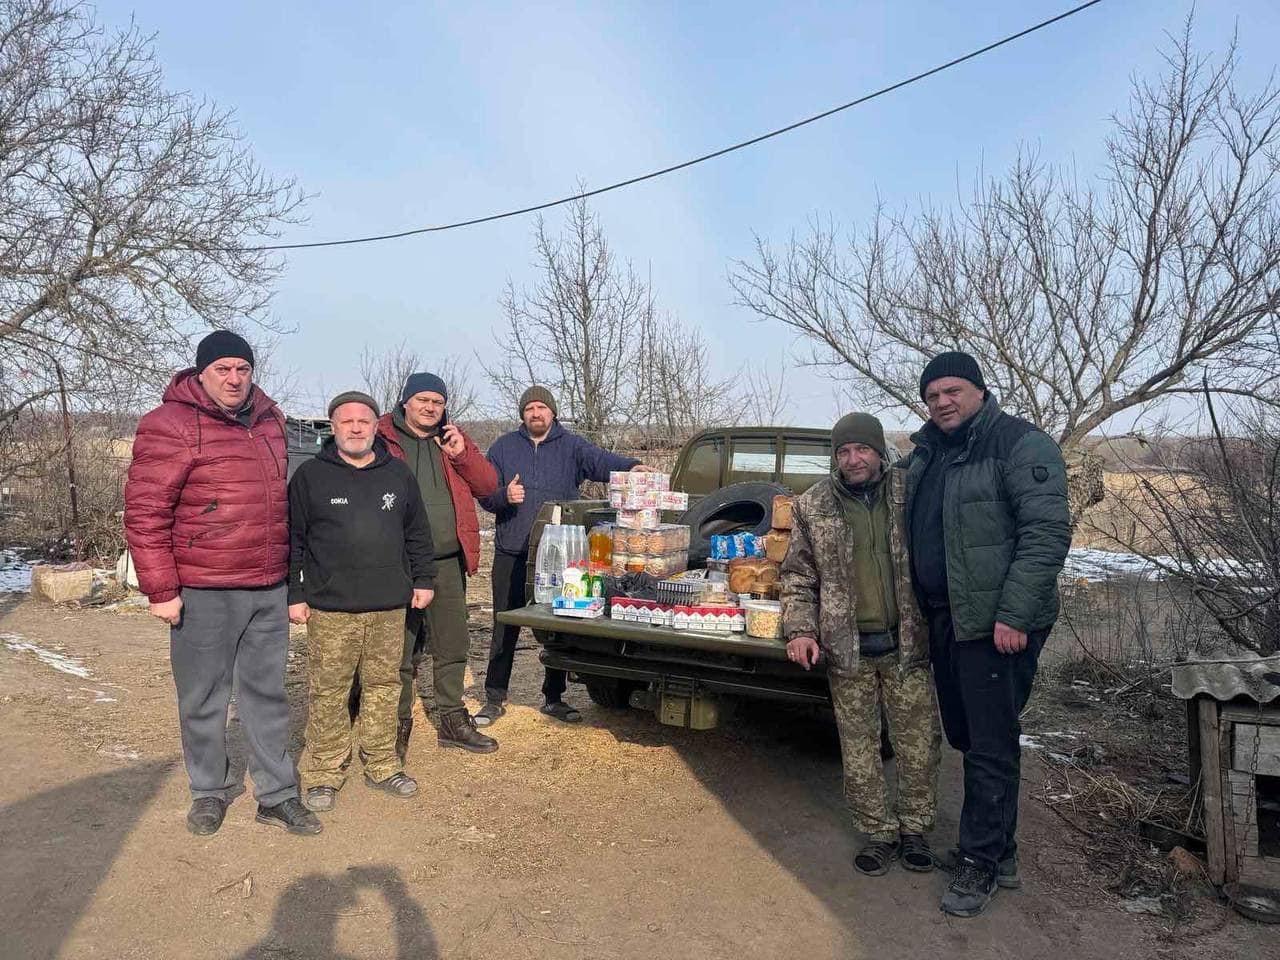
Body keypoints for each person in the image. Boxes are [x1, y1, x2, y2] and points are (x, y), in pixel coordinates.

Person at [124, 330, 320, 837]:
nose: (234, 379)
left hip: (267, 584)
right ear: (201, 373)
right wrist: (161, 590)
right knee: (204, 697)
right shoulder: (168, 425)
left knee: (267, 695)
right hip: (203, 587)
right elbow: (146, 512)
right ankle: (209, 790)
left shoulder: (271, 420)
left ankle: (276, 795)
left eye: (242, 368)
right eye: (223, 370)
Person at [905, 351, 1071, 917]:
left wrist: (1014, 615)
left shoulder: (1020, 444)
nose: (942, 402)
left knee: (990, 742)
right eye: (932, 396)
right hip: (947, 616)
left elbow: (1046, 533)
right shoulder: (929, 453)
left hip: (997, 623)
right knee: (969, 737)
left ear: (978, 390)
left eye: (952, 390)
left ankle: (980, 863)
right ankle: (1001, 853)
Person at [780, 412, 940, 879]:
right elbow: (797, 577)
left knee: (918, 745)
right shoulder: (812, 506)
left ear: (879, 451)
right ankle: (878, 833)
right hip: (847, 650)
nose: (853, 459)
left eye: (862, 449)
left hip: (908, 645)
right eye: (844, 451)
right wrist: (801, 630)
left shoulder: (909, 493)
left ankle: (915, 830)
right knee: (860, 748)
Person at [288, 391, 437, 813]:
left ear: (376, 426)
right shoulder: (310, 477)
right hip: (330, 608)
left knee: (384, 686)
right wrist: (294, 594)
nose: (356, 428)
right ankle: (323, 771)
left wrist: (423, 579)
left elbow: (417, 534)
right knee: (329, 690)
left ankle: (383, 764)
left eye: (364, 421)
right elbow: (293, 541)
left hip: (389, 604)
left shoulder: (398, 476)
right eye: (347, 421)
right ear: (332, 427)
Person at [476, 386, 651, 725]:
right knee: (504, 626)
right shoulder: (503, 448)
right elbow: (484, 494)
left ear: (552, 412)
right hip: (511, 552)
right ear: (523, 414)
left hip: (559, 555)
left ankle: (553, 697)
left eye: (542, 407)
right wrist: (503, 495)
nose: (536, 413)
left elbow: (601, 461)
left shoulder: (571, 446)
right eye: (530, 408)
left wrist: (632, 467)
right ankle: (494, 697)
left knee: (559, 627)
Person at [373, 372, 499, 756]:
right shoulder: (382, 439)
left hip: (446, 561)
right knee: (399, 649)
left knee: (452, 643)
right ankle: (395, 724)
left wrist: (461, 453)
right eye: (423, 400)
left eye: (437, 402)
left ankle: (451, 718)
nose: (430, 407)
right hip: (396, 562)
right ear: (405, 402)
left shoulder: (452, 440)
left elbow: (489, 486)